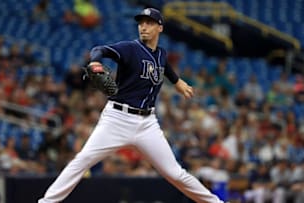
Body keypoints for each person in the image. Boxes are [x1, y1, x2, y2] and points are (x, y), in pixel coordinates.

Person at [38, 8, 224, 203]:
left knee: (175, 174)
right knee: (82, 160)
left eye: (149, 23)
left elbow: (164, 65)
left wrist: (177, 82)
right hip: (118, 119)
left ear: (159, 28)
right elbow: (99, 50)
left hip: (147, 124)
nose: (143, 27)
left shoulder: (160, 53)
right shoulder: (130, 48)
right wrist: (94, 62)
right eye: (141, 23)